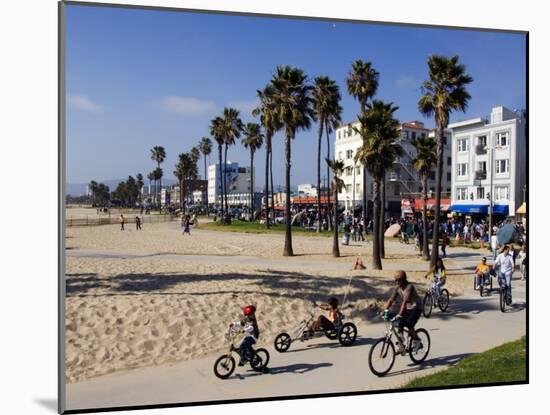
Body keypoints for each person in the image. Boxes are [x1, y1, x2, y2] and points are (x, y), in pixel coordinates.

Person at [384, 271, 422, 354]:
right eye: (396, 280)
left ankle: (417, 340)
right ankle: (401, 345)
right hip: (408, 308)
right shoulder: (397, 288)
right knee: (399, 323)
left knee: (409, 324)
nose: (397, 282)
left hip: (416, 307)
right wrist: (385, 310)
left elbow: (405, 302)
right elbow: (391, 300)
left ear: (404, 279)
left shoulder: (409, 287)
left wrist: (399, 315)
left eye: (399, 280)